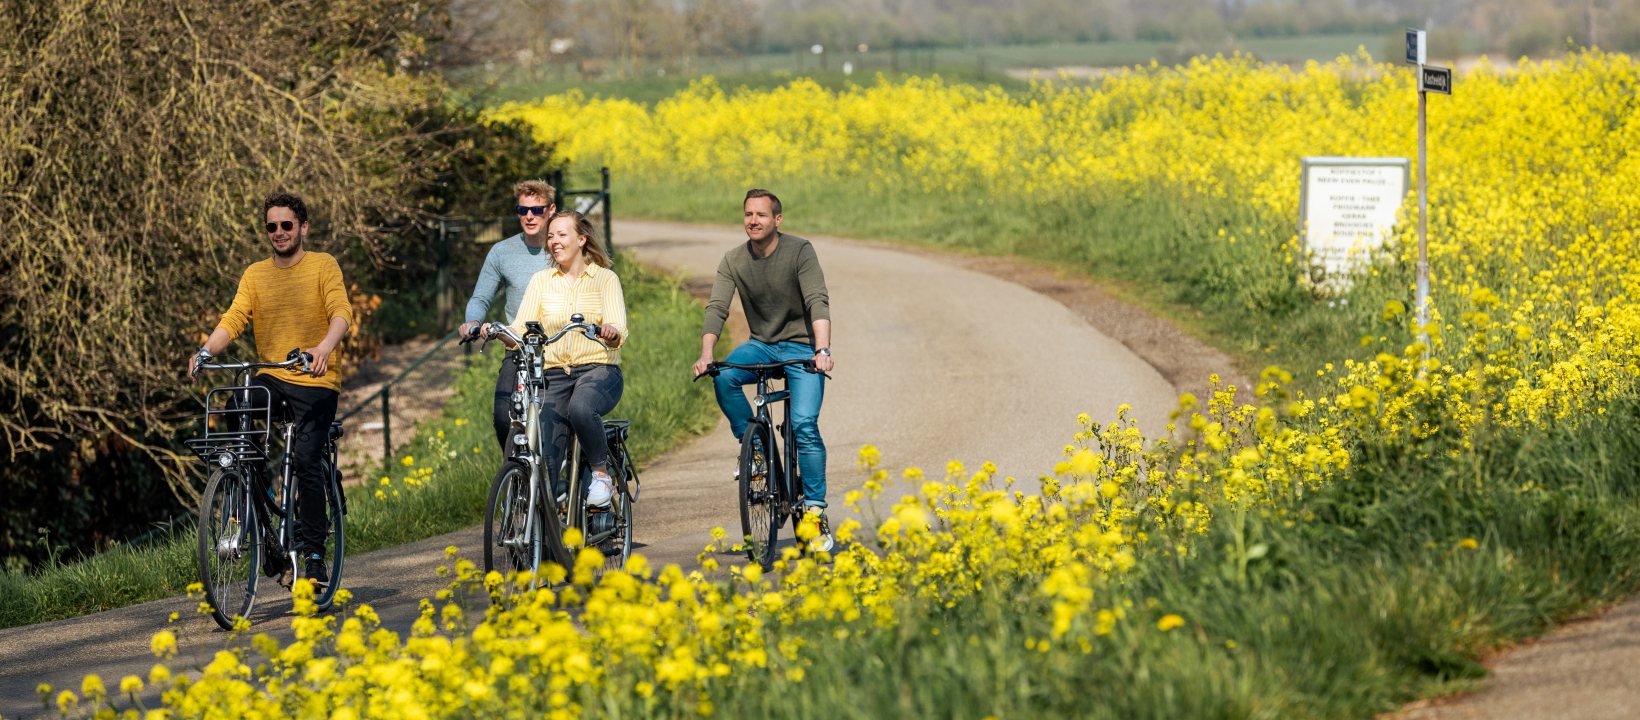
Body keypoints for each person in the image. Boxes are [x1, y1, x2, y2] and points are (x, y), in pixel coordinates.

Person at [189, 192, 353, 589]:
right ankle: (262, 527)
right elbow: (234, 318)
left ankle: (313, 558)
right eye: (271, 226)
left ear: (302, 228)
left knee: (307, 459)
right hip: (273, 377)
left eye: (286, 225)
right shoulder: (255, 274)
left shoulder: (322, 265)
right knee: (238, 408)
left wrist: (323, 348)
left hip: (314, 381)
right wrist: (206, 350)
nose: (278, 232)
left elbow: (341, 312)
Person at [692, 189, 836, 551]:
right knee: (724, 376)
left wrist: (822, 350)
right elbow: (716, 308)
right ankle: (757, 449)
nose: (753, 221)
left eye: (761, 215)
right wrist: (707, 353)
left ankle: (815, 512)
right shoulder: (733, 260)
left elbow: (816, 299)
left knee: (803, 424)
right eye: (747, 215)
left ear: (777, 220)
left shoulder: (799, 251)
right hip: (762, 345)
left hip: (802, 347)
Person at [497, 211, 627, 508]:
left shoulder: (605, 279)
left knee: (581, 408)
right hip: (554, 373)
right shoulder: (541, 281)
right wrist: (496, 332)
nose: (554, 241)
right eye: (551, 235)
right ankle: (544, 535)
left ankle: (600, 474)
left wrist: (609, 332)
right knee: (545, 457)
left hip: (598, 369)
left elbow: (619, 330)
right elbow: (520, 330)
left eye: (562, 234)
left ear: (582, 239)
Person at [460, 179, 557, 451]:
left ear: (551, 210)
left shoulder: (561, 246)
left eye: (537, 210)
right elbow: (481, 297)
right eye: (522, 210)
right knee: (504, 418)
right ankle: (519, 477)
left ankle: (564, 476)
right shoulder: (502, 252)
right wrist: (473, 321)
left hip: (560, 347)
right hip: (519, 347)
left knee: (556, 419)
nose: (529, 216)